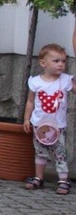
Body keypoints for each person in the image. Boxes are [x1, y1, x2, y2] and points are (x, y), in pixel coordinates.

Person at [23, 43, 73, 195]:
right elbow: (30, 101)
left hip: (58, 126)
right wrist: (27, 119)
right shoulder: (36, 82)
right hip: (40, 125)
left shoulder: (65, 80)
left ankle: (63, 180)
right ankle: (39, 177)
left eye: (63, 61)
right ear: (43, 63)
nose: (61, 64)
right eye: (56, 61)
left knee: (60, 153)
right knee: (40, 152)